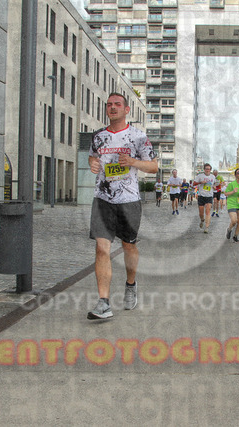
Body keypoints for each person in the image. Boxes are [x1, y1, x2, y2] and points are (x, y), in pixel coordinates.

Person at [87, 93, 158, 319]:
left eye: (117, 104)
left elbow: (154, 167)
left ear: (127, 110)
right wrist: (93, 163)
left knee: (129, 247)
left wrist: (133, 162)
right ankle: (103, 303)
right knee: (102, 248)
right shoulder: (98, 136)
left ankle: (130, 284)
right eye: (109, 104)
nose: (112, 107)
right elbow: (92, 157)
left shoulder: (138, 137)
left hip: (128, 200)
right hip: (103, 199)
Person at [192, 163, 216, 233]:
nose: (207, 170)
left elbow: (214, 184)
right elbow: (194, 184)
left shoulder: (213, 177)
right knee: (201, 213)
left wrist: (214, 187)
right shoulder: (200, 176)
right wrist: (200, 182)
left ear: (210, 170)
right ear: (204, 169)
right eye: (206, 169)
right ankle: (202, 220)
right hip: (201, 195)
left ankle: (206, 227)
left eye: (209, 169)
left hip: (209, 196)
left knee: (208, 211)